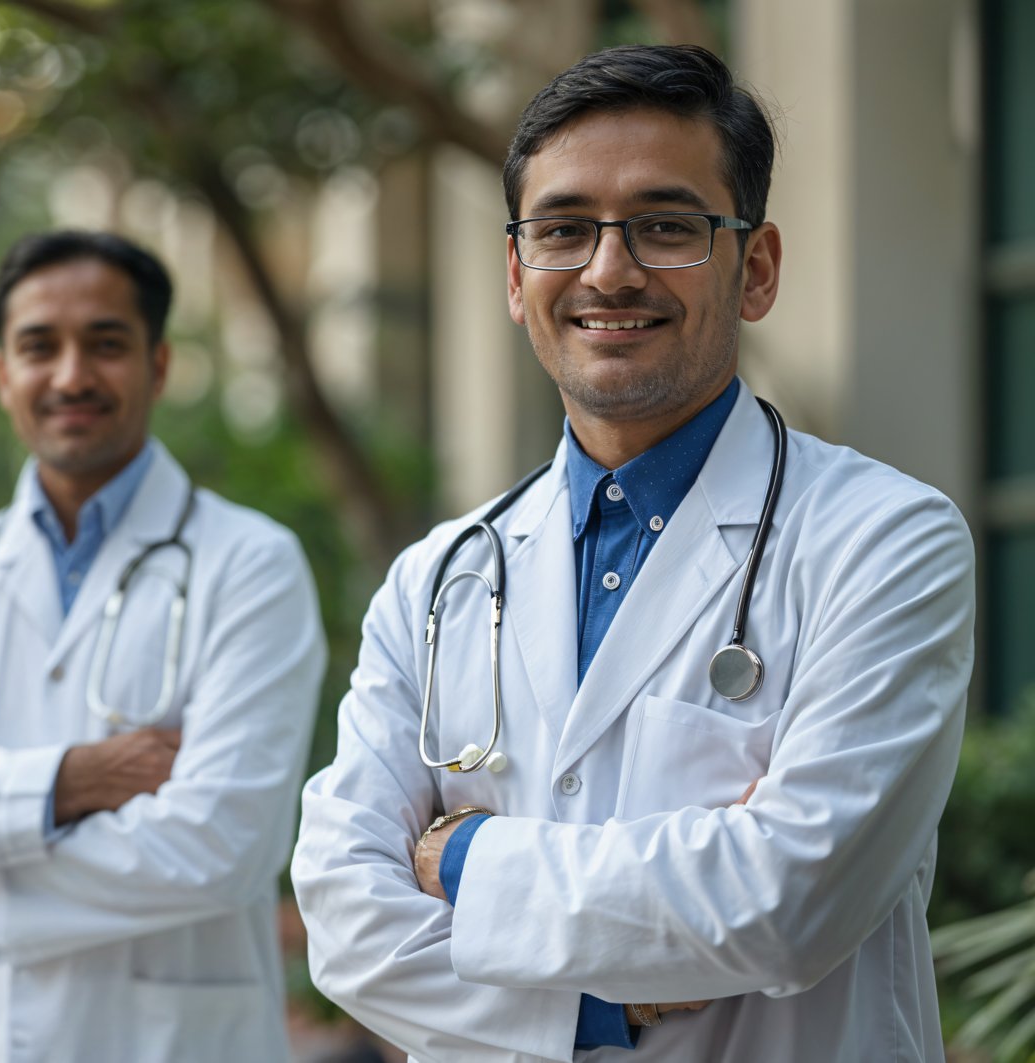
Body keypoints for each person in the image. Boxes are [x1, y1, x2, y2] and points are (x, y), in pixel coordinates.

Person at [291, 44, 973, 1063]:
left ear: (759, 268)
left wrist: (462, 852)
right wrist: (594, 1006)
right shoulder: (440, 577)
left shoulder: (882, 541)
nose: (610, 270)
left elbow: (785, 900)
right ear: (517, 277)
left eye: (666, 226)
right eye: (564, 230)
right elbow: (347, 922)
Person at [0, 230, 326, 1063]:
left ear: (158, 366)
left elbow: (221, 845)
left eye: (106, 344)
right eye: (39, 347)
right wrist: (74, 778)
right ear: (4, 373)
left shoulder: (249, 565)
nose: (72, 375)